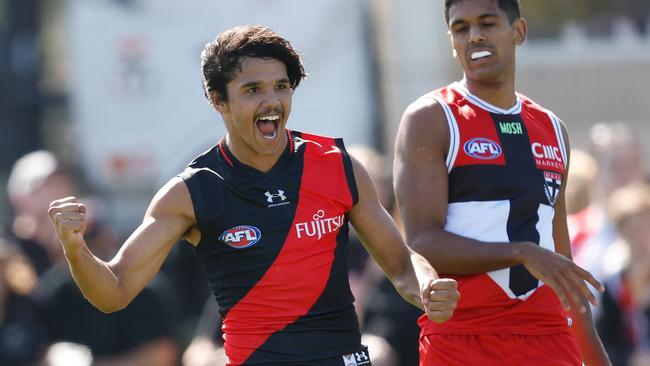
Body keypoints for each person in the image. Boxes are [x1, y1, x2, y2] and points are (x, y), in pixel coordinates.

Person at [48, 25, 459, 365]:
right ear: (218, 100)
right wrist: (75, 248)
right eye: (252, 89)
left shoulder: (338, 166)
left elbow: (402, 265)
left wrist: (426, 285)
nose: (272, 101)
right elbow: (114, 292)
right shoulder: (191, 192)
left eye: (281, 87)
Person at [392, 0, 611, 365]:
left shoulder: (554, 129)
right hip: (463, 335)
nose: (475, 36)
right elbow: (420, 242)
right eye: (461, 28)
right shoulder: (432, 117)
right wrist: (521, 252)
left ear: (519, 32)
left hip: (547, 335)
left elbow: (564, 275)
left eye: (487, 23)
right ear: (451, 40)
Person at [596, 183, 650, 366]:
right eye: (633, 229)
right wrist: (630, 359)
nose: (641, 236)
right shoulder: (613, 282)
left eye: (645, 227)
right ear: (621, 232)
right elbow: (604, 341)